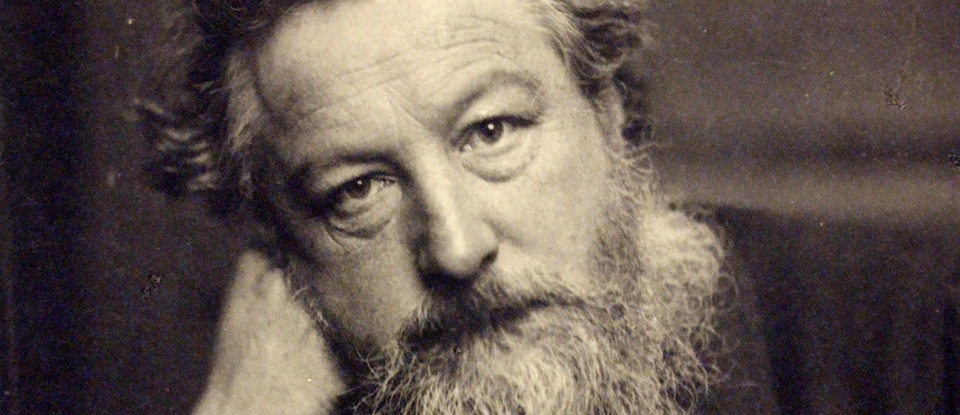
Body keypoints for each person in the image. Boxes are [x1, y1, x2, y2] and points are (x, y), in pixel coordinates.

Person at [139, 0, 739, 413]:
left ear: (607, 114)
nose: (457, 250)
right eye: (357, 189)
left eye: (492, 131)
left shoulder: (801, 326)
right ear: (278, 247)